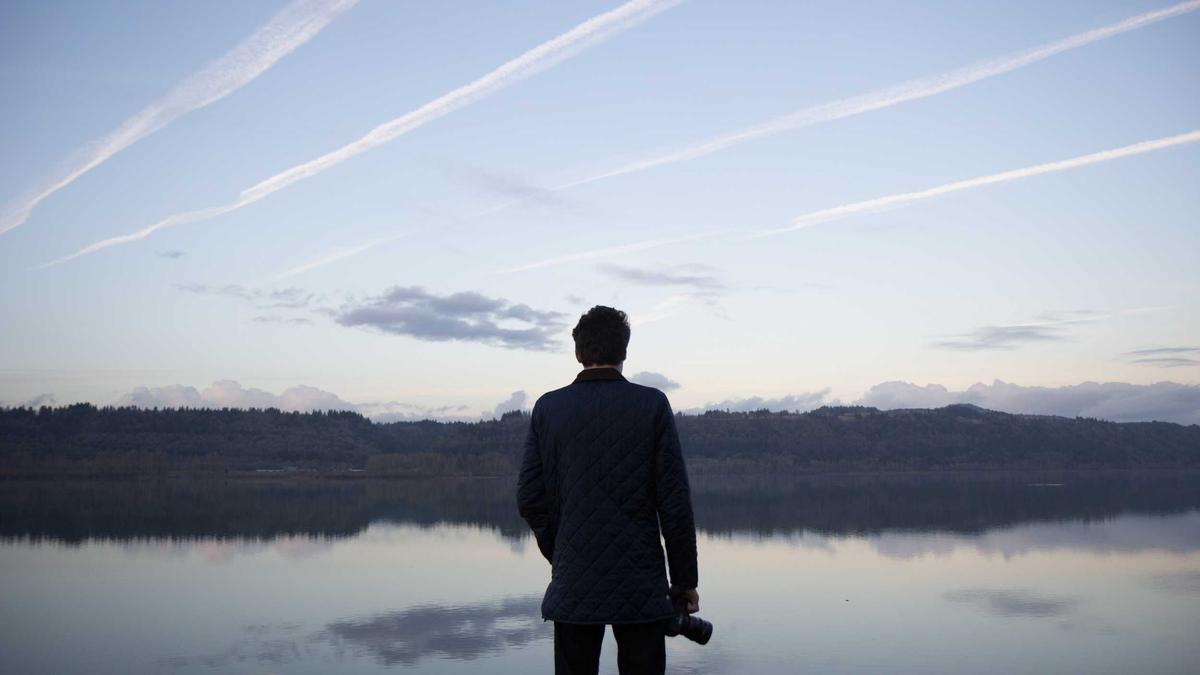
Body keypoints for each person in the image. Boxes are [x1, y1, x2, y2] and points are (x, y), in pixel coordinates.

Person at [517, 305, 699, 675]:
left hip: (574, 583)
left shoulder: (548, 408)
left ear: (578, 353)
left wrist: (564, 553)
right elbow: (674, 504)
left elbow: (529, 498)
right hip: (641, 585)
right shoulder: (652, 404)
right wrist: (683, 584)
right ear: (624, 352)